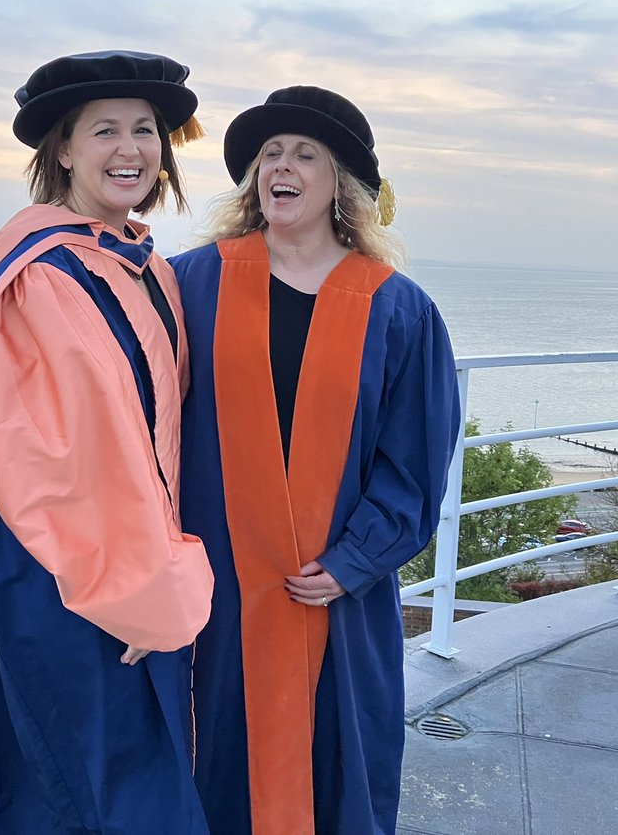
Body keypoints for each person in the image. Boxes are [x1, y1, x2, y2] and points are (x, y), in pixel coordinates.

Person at [0, 51, 214, 834]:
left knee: (113, 781)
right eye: (105, 132)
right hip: (62, 580)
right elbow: (58, 469)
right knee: (81, 791)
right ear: (62, 150)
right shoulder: (44, 277)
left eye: (145, 130)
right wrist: (132, 593)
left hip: (116, 560)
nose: (131, 149)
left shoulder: (136, 264)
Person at [170, 86, 461, 834]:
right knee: (211, 769)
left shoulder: (398, 308)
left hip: (337, 599)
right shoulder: (189, 283)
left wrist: (355, 560)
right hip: (218, 594)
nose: (282, 166)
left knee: (338, 771)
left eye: (304, 153)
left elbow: (415, 459)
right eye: (270, 153)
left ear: (342, 184)